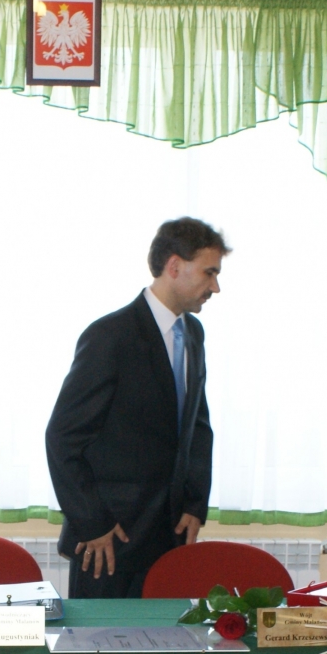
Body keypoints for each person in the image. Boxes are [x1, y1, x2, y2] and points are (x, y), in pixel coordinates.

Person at [45, 218, 225, 597]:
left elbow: (197, 426)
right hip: (109, 540)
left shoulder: (193, 334)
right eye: (209, 273)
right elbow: (62, 437)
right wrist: (93, 523)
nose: (216, 287)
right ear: (174, 266)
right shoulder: (110, 336)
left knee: (165, 636)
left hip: (169, 536)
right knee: (102, 636)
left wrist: (195, 503)